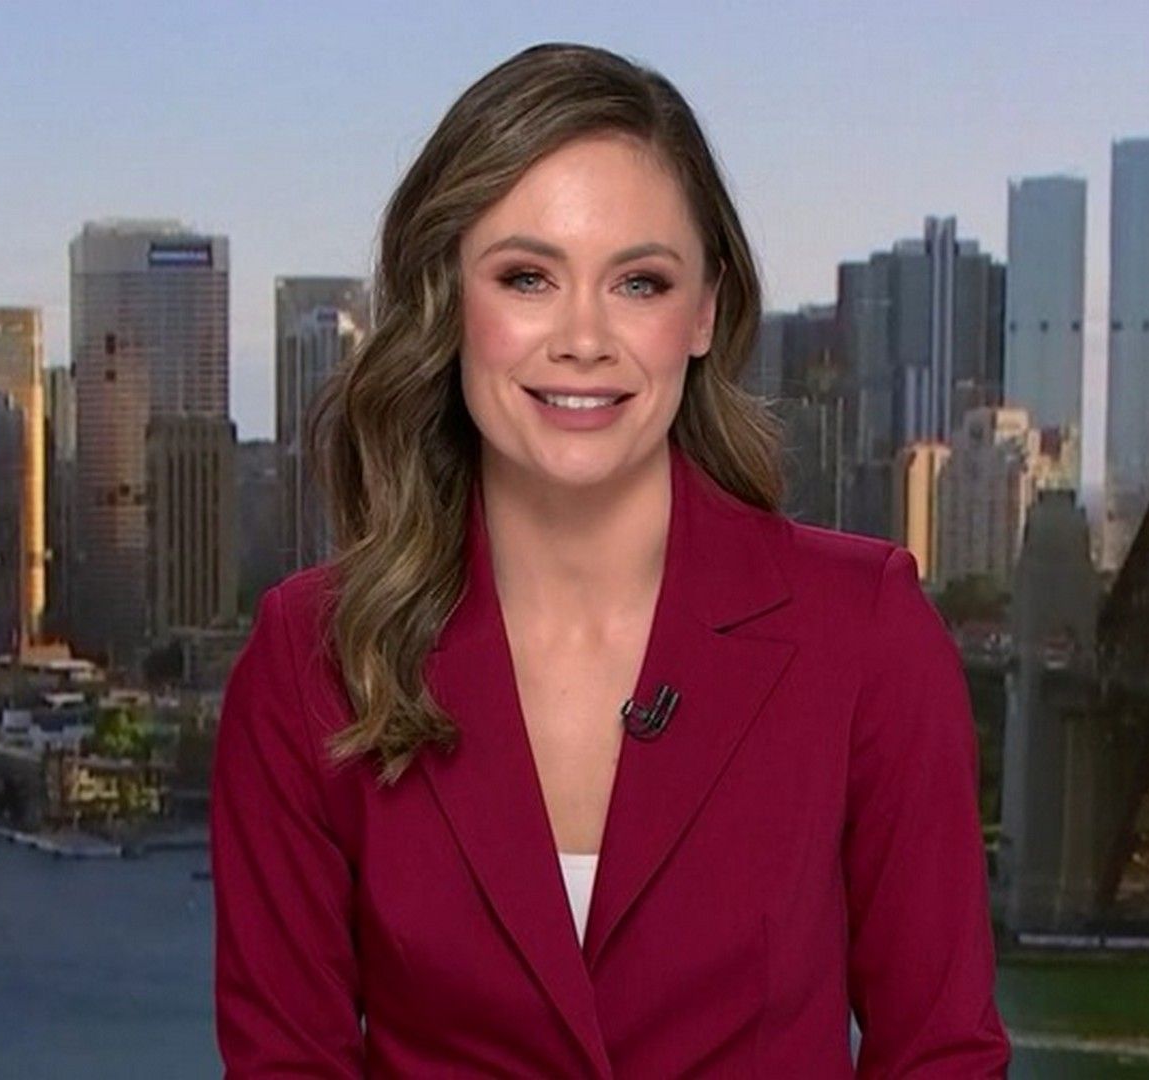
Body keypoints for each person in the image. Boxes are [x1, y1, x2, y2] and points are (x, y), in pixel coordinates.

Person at [212, 41, 1009, 1078]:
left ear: (704, 311)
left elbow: (941, 1054)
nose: (583, 339)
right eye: (528, 277)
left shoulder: (865, 633)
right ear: (449, 301)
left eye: (638, 282)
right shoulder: (309, 657)